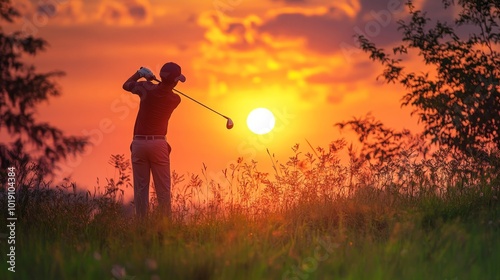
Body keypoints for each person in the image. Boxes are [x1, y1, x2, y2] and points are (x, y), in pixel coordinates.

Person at [122, 62, 186, 218]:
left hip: (138, 143)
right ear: (175, 81)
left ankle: (142, 226)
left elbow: (127, 85)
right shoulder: (175, 99)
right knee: (163, 190)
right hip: (158, 144)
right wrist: (152, 81)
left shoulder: (145, 88)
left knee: (141, 189)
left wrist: (141, 73)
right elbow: (163, 90)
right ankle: (165, 225)